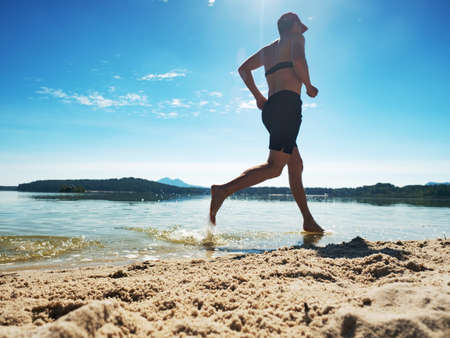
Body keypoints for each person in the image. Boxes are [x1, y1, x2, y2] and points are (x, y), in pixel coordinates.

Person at [209, 12, 324, 233]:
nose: (303, 31)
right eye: (300, 26)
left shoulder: (268, 50)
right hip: (287, 107)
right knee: (274, 168)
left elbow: (243, 69)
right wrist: (309, 86)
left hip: (271, 109)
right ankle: (222, 190)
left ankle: (308, 221)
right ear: (293, 26)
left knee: (295, 165)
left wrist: (259, 97)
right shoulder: (296, 39)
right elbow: (299, 61)